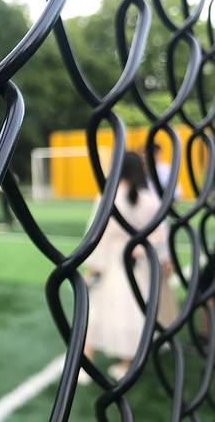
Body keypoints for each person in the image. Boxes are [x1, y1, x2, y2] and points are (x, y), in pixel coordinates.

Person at [80, 152, 179, 384]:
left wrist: (93, 269)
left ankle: (85, 363)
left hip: (112, 261)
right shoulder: (150, 199)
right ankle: (128, 363)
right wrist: (160, 258)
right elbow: (160, 234)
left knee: (95, 312)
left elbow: (97, 235)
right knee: (136, 311)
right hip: (141, 262)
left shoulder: (108, 197)